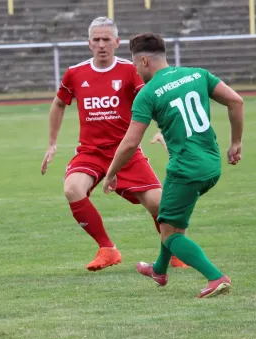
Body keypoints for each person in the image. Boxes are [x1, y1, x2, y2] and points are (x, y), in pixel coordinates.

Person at [103, 32, 245, 298]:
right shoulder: (197, 74)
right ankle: (158, 269)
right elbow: (236, 101)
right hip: (211, 164)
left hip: (185, 170)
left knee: (171, 235)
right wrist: (236, 143)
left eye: (135, 65)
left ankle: (216, 277)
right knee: (168, 217)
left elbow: (130, 143)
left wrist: (111, 173)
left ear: (144, 60)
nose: (135, 70)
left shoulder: (148, 93)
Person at [41, 17, 188, 271]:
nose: (101, 45)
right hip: (90, 152)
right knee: (72, 188)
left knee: (158, 203)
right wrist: (52, 143)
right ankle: (107, 249)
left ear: (117, 42)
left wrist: (162, 129)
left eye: (106, 39)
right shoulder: (75, 73)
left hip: (126, 152)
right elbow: (58, 104)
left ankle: (175, 251)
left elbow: (154, 99)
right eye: (96, 40)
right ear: (89, 43)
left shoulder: (130, 71)